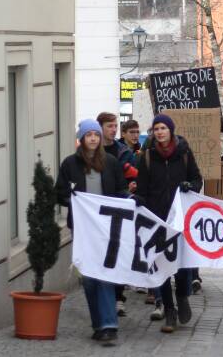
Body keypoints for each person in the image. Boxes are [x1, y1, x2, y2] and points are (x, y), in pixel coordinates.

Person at [55, 119, 128, 345]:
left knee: (104, 274)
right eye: (89, 135)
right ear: (82, 138)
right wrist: (74, 201)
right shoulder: (70, 164)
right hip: (82, 230)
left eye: (96, 134)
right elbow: (59, 193)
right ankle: (99, 324)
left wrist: (129, 200)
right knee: (88, 279)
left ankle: (109, 325)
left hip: (107, 229)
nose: (94, 138)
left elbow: (121, 189)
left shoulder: (112, 163)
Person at [133, 114, 203, 333]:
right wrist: (137, 200)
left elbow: (197, 179)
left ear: (171, 130)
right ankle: (169, 311)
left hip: (179, 219)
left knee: (181, 266)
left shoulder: (183, 152)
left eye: (163, 128)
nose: (160, 132)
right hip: (156, 219)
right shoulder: (146, 156)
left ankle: (182, 297)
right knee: (162, 266)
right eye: (156, 128)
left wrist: (188, 185)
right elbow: (142, 188)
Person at [96, 112, 135, 317]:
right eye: (110, 126)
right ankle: (103, 296)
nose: (114, 129)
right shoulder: (91, 150)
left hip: (118, 210)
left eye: (115, 126)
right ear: (100, 127)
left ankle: (118, 296)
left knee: (117, 253)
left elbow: (128, 178)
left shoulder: (123, 152)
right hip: (96, 212)